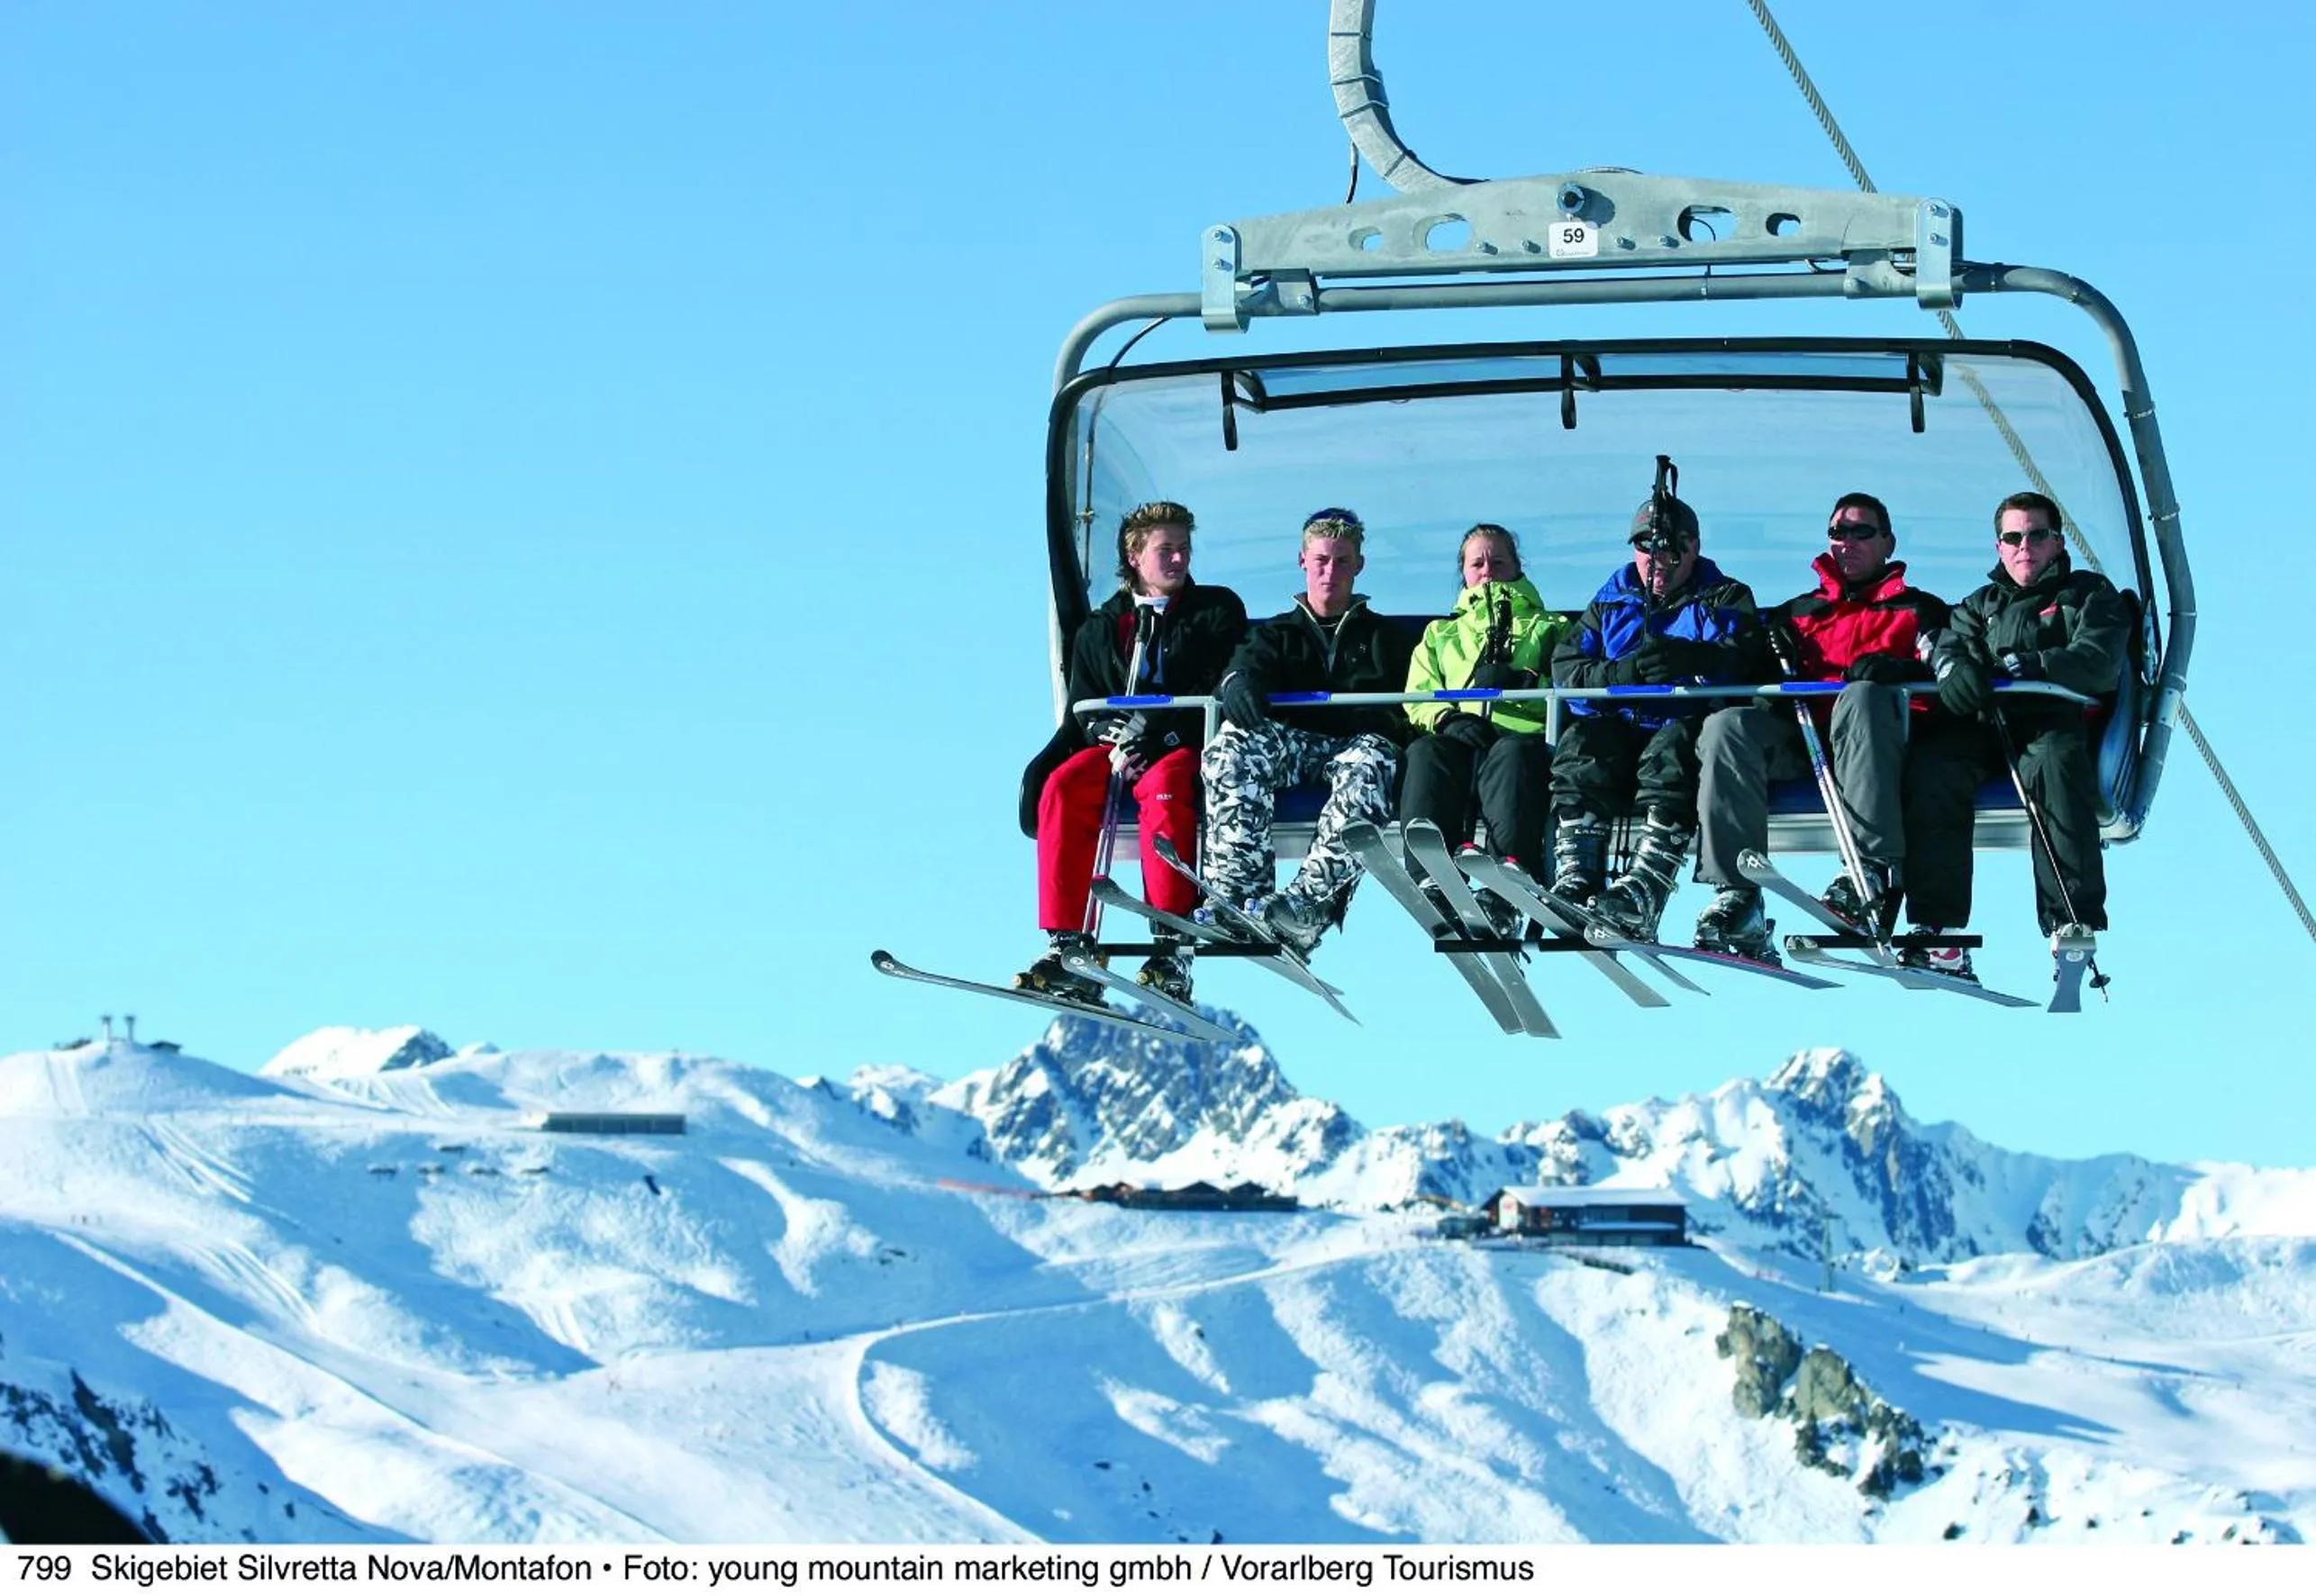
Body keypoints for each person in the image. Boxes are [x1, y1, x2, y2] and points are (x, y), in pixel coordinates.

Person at [1690, 492, 1975, 968]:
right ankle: (1736, 893)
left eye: (1862, 532)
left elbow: (1944, 663)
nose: (1848, 542)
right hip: (1805, 737)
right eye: (1838, 533)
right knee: (1727, 726)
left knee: (1861, 696)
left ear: (1888, 542)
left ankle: (1868, 868)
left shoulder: (1917, 610)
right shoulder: (1799, 613)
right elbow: (1752, 677)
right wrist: (1764, 661)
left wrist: (1897, 671)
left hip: (1877, 741)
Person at [1014, 501, 1247, 1006]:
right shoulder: (1102, 627)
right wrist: (1109, 733)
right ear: (1135, 555)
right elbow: (1084, 704)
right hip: (1117, 749)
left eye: (1184, 548)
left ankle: (1170, 943)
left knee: (1165, 788)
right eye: (1167, 550)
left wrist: (1160, 735)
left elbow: (1218, 683)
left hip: (1181, 743)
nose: (1179, 559)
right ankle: (1067, 941)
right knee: (1063, 786)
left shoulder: (1214, 611)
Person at [1547, 457, 1766, 942]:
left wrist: (1693, 659)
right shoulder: (1611, 600)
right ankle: (1579, 875)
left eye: (1668, 548)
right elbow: (1567, 669)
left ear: (1692, 548)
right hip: (1620, 726)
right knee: (1583, 744)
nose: (1656, 560)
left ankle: (1646, 886)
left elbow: (1746, 659)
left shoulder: (1724, 597)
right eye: (1645, 547)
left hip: (1681, 725)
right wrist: (1620, 675)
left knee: (1672, 750)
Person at [1200, 508, 1416, 957]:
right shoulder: (1279, 633)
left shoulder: (1387, 639)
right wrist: (1239, 683)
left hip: (1359, 744)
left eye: (1342, 561)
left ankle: (1308, 903)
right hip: (1295, 742)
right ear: (1303, 561)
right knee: (1231, 747)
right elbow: (1245, 664)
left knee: (1371, 764)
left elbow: (1414, 698)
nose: (1330, 571)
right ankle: (1238, 889)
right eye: (1321, 560)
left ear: (1358, 565)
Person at [1930, 489, 2131, 953]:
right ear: (1999, 547)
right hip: (1989, 726)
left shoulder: (2087, 595)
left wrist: (2040, 665)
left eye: (2037, 536)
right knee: (1935, 768)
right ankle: (1938, 927)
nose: (2025, 547)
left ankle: (2071, 917)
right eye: (2013, 538)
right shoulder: (1980, 606)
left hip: (2052, 720)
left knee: (2055, 764)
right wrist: (1955, 671)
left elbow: (2098, 658)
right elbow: (1951, 643)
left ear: (2058, 542)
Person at [1397, 523, 1568, 923]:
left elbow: (1570, 683)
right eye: (1477, 563)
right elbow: (1418, 693)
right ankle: (1432, 874)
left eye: (1498, 561)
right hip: (1461, 734)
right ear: (1464, 571)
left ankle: (1509, 876)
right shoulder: (1441, 633)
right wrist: (1447, 718)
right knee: (1426, 752)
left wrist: (1528, 682)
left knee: (1514, 756)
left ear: (1517, 567)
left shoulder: (1552, 626)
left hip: (1521, 733)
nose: (1488, 571)